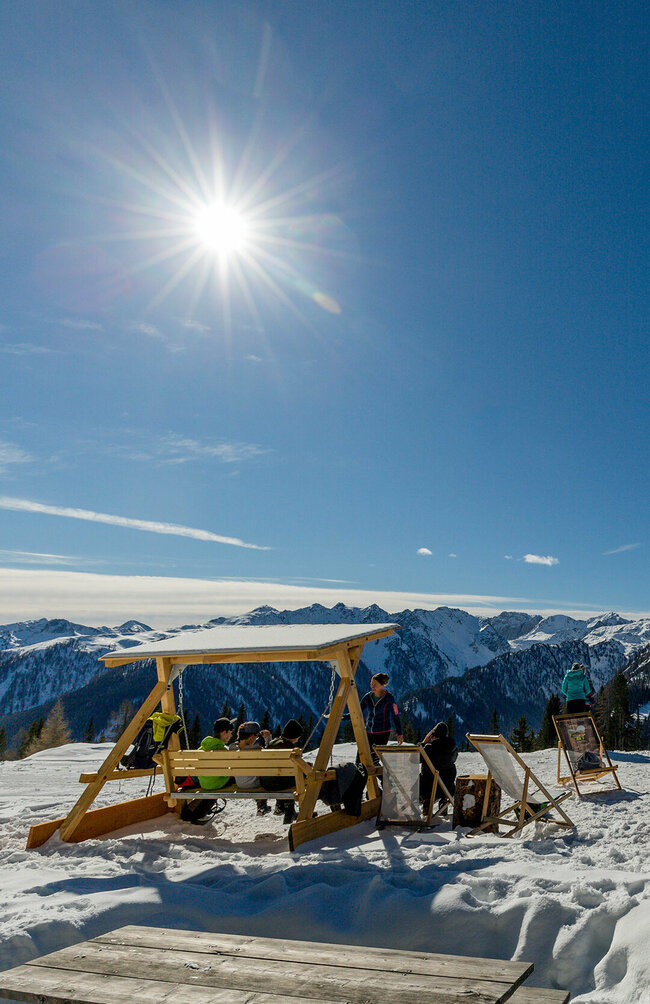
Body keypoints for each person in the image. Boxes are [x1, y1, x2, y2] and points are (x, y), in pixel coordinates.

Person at [259, 718, 303, 825]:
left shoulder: (272, 742)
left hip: (266, 783)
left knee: (281, 775)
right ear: (294, 736)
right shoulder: (289, 748)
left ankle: (280, 807)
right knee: (295, 778)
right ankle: (289, 811)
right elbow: (296, 767)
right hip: (281, 784)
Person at [231, 721, 272, 815]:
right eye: (256, 737)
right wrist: (268, 739)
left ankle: (261, 805)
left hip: (239, 783)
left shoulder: (232, 748)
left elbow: (239, 743)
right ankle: (262, 805)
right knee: (264, 776)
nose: (256, 739)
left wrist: (240, 733)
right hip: (254, 784)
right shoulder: (256, 750)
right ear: (251, 737)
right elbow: (271, 757)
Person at [360, 673, 403, 763]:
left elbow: (395, 716)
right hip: (368, 732)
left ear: (383, 685)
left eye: (375, 684)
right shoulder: (368, 697)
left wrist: (399, 734)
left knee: (373, 761)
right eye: (371, 684)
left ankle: (386, 777)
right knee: (360, 759)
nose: (372, 686)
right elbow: (357, 710)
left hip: (382, 734)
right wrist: (342, 716)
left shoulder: (389, 698)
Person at [420, 721, 458, 813]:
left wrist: (424, 743)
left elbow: (414, 759)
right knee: (448, 770)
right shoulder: (453, 748)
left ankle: (427, 802)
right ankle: (444, 800)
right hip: (447, 787)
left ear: (433, 735)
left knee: (424, 774)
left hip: (429, 788)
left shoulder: (429, 748)